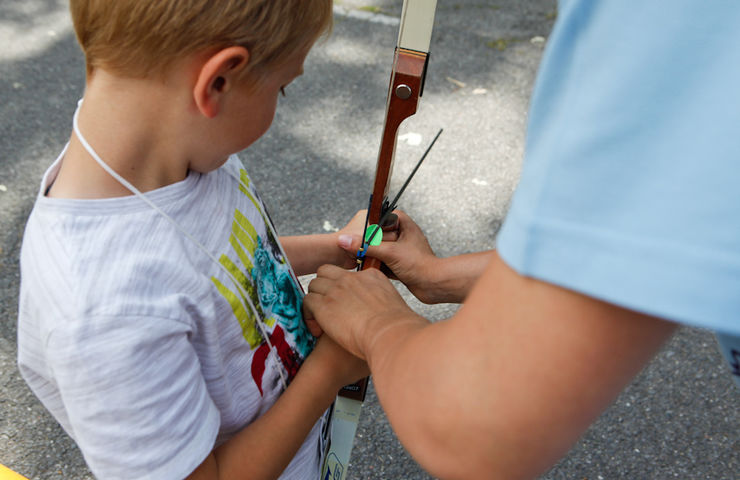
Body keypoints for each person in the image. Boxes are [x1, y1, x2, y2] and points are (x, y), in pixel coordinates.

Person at [304, 1, 740, 479]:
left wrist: (377, 325)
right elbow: (630, 253)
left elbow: (470, 431)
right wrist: (436, 278)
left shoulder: (668, 22)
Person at [16, 1, 370, 479]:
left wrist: (338, 248)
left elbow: (221, 268)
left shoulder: (170, 142)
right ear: (218, 82)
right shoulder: (105, 314)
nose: (280, 99)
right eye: (282, 88)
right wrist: (331, 369)